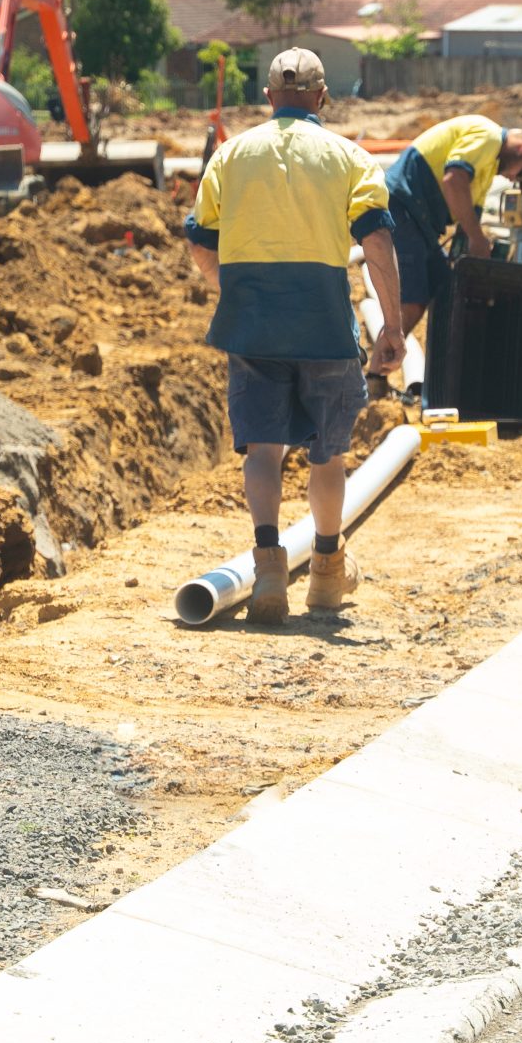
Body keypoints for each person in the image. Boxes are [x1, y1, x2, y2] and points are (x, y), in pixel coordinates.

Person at [184, 48, 406, 621]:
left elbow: (200, 243)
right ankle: (327, 571)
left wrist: (226, 288)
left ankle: (268, 569)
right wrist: (394, 327)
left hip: (253, 326)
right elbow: (377, 244)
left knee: (263, 449)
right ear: (322, 97)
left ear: (267, 98)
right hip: (324, 325)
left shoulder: (230, 155)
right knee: (326, 455)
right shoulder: (350, 157)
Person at [384, 114, 522, 330]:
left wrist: (477, 254)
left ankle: (432, 360)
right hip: (403, 207)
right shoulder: (488, 136)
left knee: (444, 288)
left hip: (419, 220)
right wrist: (476, 238)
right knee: (412, 302)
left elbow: (470, 218)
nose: (512, 179)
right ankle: (379, 363)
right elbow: (454, 180)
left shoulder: (488, 168)